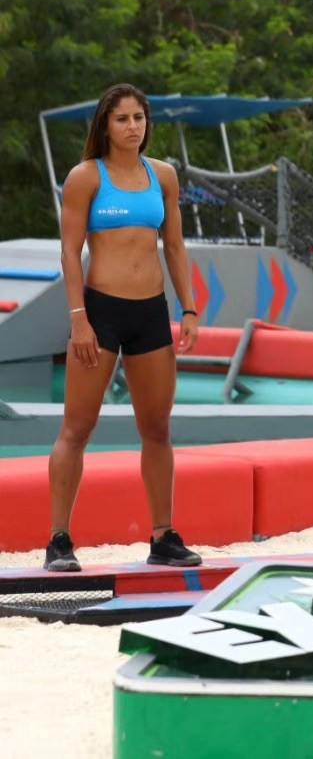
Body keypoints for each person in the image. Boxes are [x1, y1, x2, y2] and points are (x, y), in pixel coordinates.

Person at [45, 83, 202, 572]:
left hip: (150, 313)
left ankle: (163, 537)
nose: (133, 127)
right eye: (122, 119)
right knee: (78, 427)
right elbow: (70, 251)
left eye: (139, 118)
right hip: (100, 312)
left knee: (157, 428)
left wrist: (189, 309)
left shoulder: (164, 176)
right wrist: (79, 320)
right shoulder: (86, 177)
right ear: (105, 125)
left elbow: (174, 247)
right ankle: (59, 541)